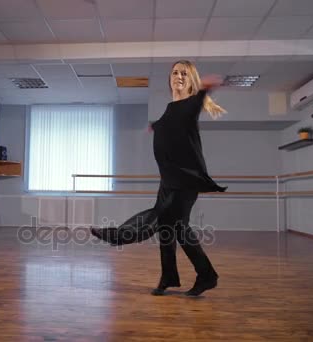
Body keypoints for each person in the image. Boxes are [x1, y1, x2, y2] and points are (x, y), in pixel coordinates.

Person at [91, 60, 228, 297]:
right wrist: (156, 127)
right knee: (172, 229)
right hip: (169, 180)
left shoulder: (190, 103)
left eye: (185, 74)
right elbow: (171, 122)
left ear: (192, 80)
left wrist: (206, 87)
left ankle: (119, 235)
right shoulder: (172, 107)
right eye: (175, 73)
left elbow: (193, 106)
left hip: (186, 180)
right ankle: (187, 276)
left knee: (160, 216)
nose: (179, 77)